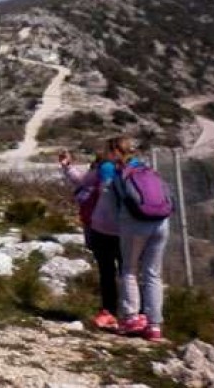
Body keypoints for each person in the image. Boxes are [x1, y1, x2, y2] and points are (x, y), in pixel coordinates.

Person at [109, 136, 169, 342]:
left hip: (135, 223)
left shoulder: (120, 173)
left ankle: (131, 317)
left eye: (110, 152)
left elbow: (118, 203)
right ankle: (154, 326)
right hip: (161, 222)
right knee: (153, 273)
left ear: (116, 152)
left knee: (129, 269)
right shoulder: (148, 169)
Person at [59, 144, 120, 331]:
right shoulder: (125, 169)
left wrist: (68, 167)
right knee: (128, 271)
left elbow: (83, 183)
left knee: (108, 270)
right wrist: (68, 166)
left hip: (100, 225)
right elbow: (82, 181)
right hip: (124, 227)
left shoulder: (103, 169)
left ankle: (111, 311)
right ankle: (135, 314)